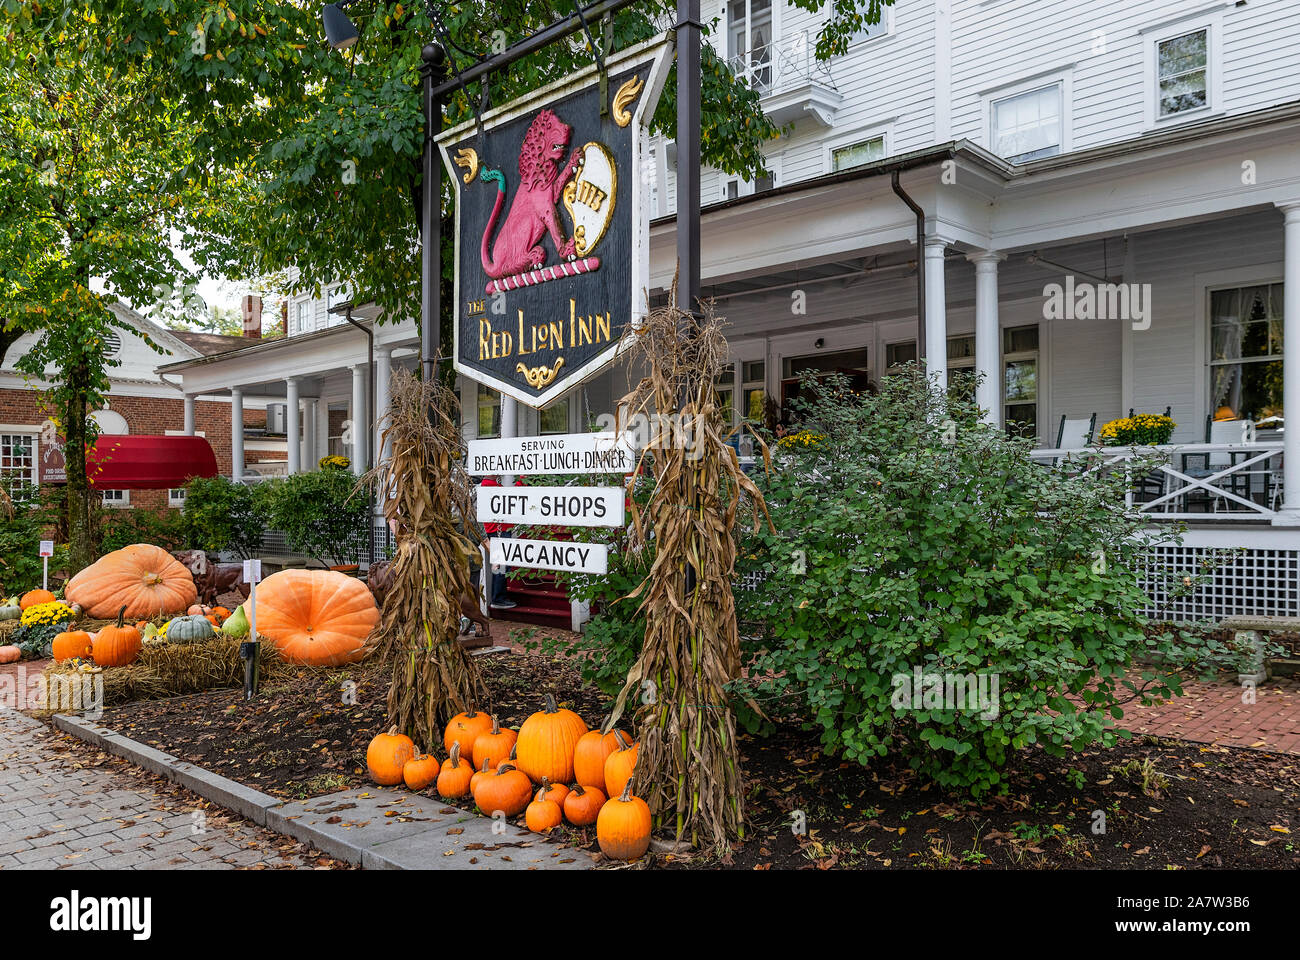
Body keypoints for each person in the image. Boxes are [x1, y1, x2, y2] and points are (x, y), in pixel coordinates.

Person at [479, 475, 518, 610]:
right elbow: (508, 498)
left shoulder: (491, 484)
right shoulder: (488, 485)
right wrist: (521, 482)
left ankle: (499, 596)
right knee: (500, 565)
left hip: (498, 530)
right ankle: (498, 598)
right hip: (497, 531)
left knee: (501, 564)